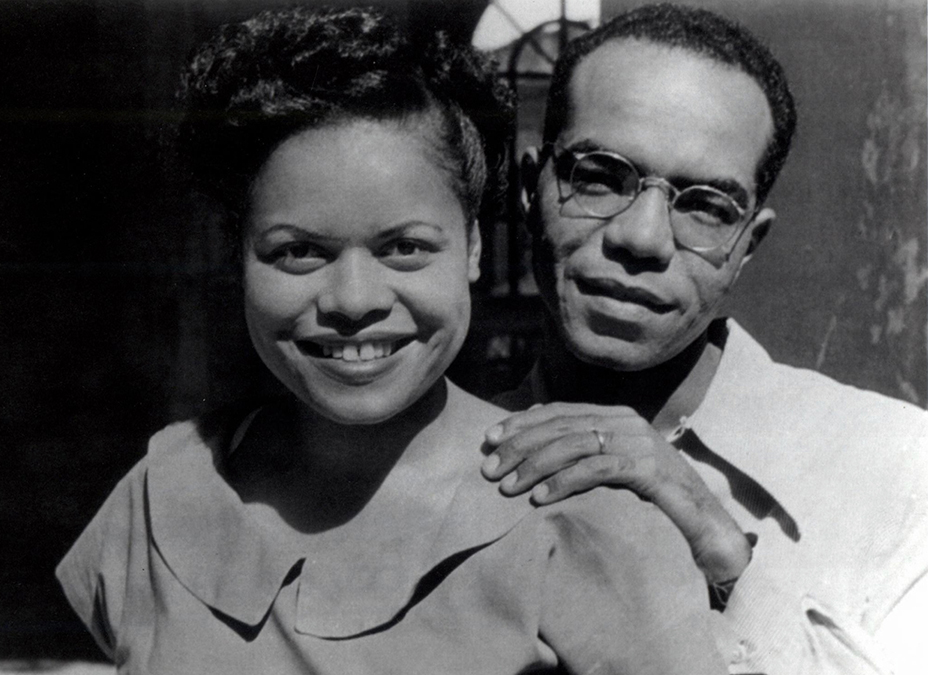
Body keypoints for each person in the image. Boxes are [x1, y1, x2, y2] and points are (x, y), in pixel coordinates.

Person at [56, 7, 726, 673]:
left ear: (470, 247)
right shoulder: (162, 496)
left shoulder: (585, 523)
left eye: (404, 247)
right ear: (238, 258)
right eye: (297, 252)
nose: (354, 300)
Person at [481, 4, 928, 674]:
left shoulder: (898, 473)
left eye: (705, 206)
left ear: (748, 245)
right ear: (528, 189)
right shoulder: (447, 458)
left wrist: (723, 551)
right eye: (600, 176)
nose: (642, 238)